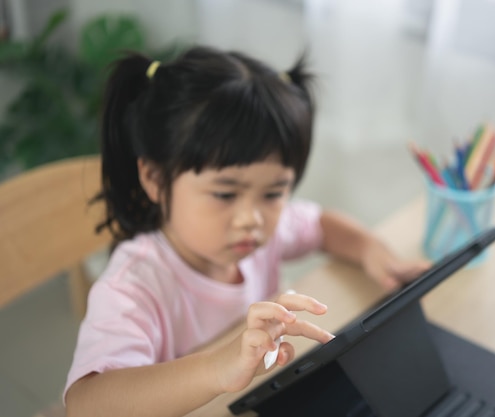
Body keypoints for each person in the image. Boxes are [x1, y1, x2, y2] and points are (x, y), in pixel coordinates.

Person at [64, 45, 428, 417]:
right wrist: (217, 367)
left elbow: (321, 225)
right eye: (225, 193)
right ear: (155, 178)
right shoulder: (132, 286)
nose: (251, 218)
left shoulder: (257, 236)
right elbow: (86, 404)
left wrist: (370, 250)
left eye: (273, 193)